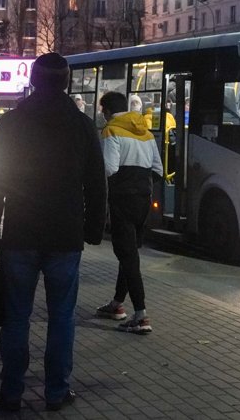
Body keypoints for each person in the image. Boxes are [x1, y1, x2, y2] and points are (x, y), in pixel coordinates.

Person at [0, 52, 107, 413]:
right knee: (61, 317)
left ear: (33, 80)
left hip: (18, 234)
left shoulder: (12, 123)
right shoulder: (81, 125)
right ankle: (55, 391)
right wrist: (94, 229)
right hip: (65, 236)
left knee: (17, 315)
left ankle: (11, 391)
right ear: (65, 82)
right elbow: (96, 183)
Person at [95, 91, 163, 335]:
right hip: (143, 198)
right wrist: (140, 185)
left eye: (103, 111)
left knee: (127, 255)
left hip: (121, 199)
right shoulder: (145, 131)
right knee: (130, 251)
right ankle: (116, 304)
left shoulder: (111, 130)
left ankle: (141, 315)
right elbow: (158, 168)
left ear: (107, 111)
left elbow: (110, 168)